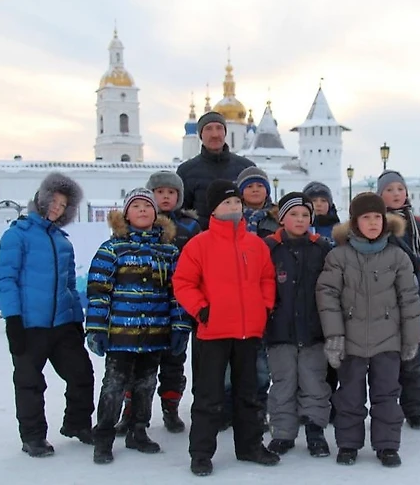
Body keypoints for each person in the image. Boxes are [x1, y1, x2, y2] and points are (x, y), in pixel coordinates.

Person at [173, 180, 280, 477]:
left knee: (248, 394)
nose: (233, 207)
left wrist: (265, 306)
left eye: (236, 202)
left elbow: (267, 279)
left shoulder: (255, 244)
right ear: (214, 208)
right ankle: (201, 453)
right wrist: (202, 309)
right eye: (226, 203)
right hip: (213, 333)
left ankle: (250, 446)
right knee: (209, 397)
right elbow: (183, 282)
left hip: (248, 333)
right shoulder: (200, 244)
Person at [316, 192, 420, 468]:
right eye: (366, 218)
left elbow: (409, 300)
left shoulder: (398, 256)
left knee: (386, 394)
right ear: (355, 223)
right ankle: (349, 443)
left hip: (388, 340)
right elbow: (327, 297)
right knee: (349, 395)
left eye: (377, 217)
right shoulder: (338, 256)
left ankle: (387, 445)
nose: (373, 223)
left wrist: (411, 339)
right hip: (351, 341)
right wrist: (335, 336)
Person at [85, 188, 190, 464]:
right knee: (114, 386)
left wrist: (180, 326)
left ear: (156, 214)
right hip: (121, 334)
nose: (142, 211)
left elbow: (177, 292)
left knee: (146, 383)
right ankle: (104, 436)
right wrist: (96, 329)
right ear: (126, 214)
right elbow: (98, 291)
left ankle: (138, 431)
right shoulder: (113, 248)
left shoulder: (168, 251)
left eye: (147, 206)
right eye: (136, 206)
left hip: (155, 332)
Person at [0, 172, 95, 458]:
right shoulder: (18, 234)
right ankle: (33, 437)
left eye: (64, 205)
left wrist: (76, 319)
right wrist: (13, 319)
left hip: (62, 325)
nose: (57, 208)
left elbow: (70, 285)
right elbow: (5, 278)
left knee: (82, 374)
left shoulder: (63, 241)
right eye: (54, 201)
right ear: (42, 199)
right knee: (30, 382)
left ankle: (77, 424)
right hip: (29, 325)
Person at [112, 171, 200, 436]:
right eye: (159, 192)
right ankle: (131, 411)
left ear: (179, 197)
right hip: (140, 309)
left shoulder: (190, 227)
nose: (165, 196)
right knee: (136, 365)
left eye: (171, 192)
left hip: (176, 305)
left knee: (174, 363)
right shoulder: (138, 223)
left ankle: (170, 408)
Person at [263, 192, 332, 457]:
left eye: (305, 215)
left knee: (314, 382)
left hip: (314, 331)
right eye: (293, 214)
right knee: (283, 383)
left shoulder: (322, 248)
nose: (300, 219)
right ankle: (282, 433)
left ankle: (315, 430)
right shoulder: (269, 248)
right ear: (282, 218)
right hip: (280, 331)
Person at [377, 170, 420, 429]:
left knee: (413, 361)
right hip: (384, 306)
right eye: (390, 189)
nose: (396, 194)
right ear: (380, 194)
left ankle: (414, 409)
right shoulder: (374, 221)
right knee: (387, 362)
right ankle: (388, 410)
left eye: (400, 189)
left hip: (414, 304)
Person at [217, 166, 277, 431]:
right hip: (231, 304)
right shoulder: (228, 222)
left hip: (262, 302)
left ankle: (257, 409)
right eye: (249, 186)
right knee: (230, 364)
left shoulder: (276, 222)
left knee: (261, 364)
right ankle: (228, 409)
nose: (255, 190)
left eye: (260, 185)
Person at [302, 181, 342, 419]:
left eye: (323, 201)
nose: (319, 205)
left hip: (333, 301)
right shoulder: (300, 229)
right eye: (314, 202)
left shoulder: (339, 231)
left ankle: (333, 402)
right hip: (306, 300)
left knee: (333, 358)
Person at [176, 111, 255, 230]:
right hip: (202, 241)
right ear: (201, 134)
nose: (215, 134)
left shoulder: (245, 168)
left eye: (219, 128)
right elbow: (179, 212)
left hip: (240, 239)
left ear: (225, 133)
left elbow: (261, 205)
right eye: (208, 129)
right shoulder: (186, 171)